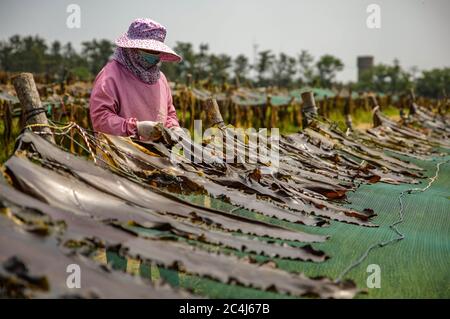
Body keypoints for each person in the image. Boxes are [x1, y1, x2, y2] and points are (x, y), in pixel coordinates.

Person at [89, 18, 185, 141]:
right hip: (120, 154)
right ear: (131, 49)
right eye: (148, 50)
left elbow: (169, 113)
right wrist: (136, 128)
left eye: (156, 51)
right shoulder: (110, 76)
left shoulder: (160, 79)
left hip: (157, 155)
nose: (153, 54)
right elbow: (101, 118)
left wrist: (174, 128)